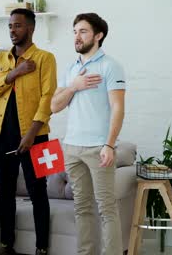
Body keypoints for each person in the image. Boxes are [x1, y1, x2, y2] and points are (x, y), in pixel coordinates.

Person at [51, 13, 126, 255]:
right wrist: (74, 86)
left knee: (106, 208)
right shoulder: (71, 69)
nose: (77, 36)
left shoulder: (110, 65)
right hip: (72, 147)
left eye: (83, 31)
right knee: (82, 208)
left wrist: (109, 144)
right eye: (74, 31)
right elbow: (54, 106)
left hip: (98, 148)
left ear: (98, 35)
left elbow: (118, 107)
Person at [0, 8, 57, 255]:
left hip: (39, 135)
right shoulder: (1, 59)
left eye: (18, 25)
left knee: (40, 192)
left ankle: (42, 248)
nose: (13, 30)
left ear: (31, 28)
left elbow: (48, 98)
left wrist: (31, 134)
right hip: (2, 134)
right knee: (5, 192)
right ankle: (6, 245)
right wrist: (14, 74)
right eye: (10, 26)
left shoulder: (46, 58)